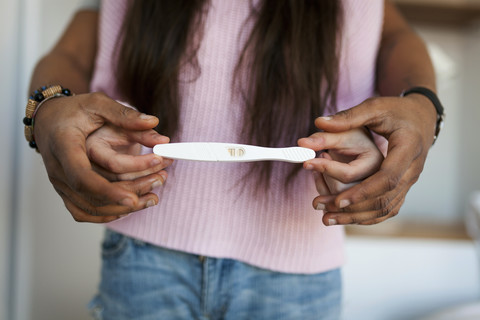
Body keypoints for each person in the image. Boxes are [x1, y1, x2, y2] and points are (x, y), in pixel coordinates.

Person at [26, 0, 440, 319]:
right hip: (143, 260)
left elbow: (393, 34)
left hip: (297, 277)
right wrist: (46, 109)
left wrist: (422, 106)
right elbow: (78, 47)